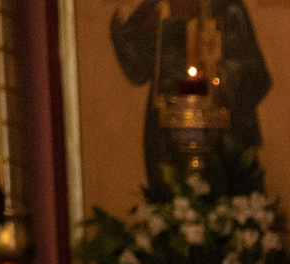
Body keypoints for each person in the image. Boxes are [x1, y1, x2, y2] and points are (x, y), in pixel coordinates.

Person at [108, 0, 272, 185]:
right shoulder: (159, 6)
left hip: (222, 133)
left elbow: (255, 75)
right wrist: (134, 33)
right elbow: (138, 70)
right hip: (169, 132)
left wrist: (215, 77)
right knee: (171, 200)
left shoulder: (227, 6)